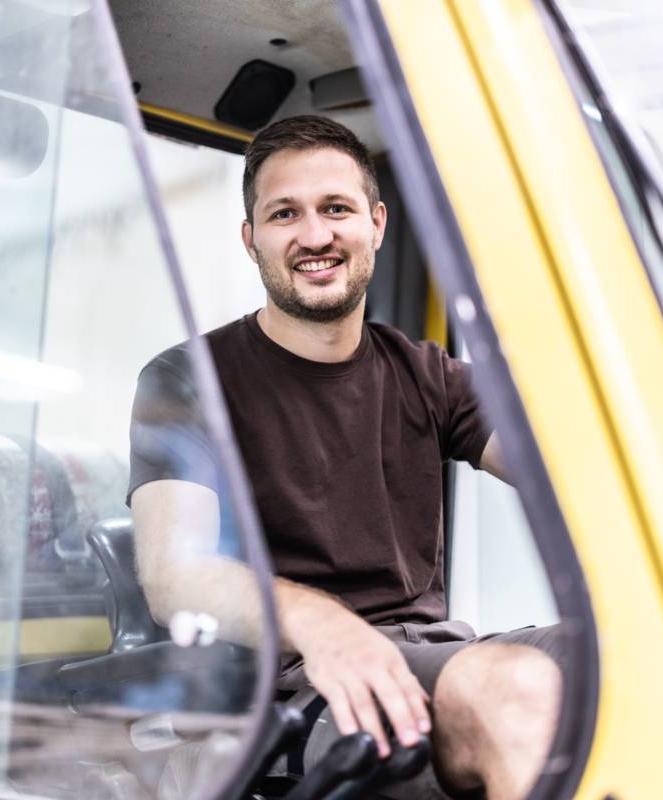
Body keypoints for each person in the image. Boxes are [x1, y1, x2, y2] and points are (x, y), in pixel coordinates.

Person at [127, 115, 563, 799]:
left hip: (426, 654)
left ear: (377, 223)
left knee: (634, 652)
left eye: (336, 208)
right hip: (290, 693)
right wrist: (319, 622)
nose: (315, 235)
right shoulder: (187, 379)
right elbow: (173, 574)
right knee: (510, 688)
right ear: (251, 239)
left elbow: (570, 471)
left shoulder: (427, 374)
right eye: (284, 214)